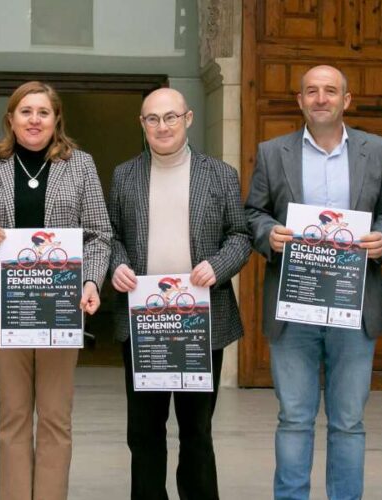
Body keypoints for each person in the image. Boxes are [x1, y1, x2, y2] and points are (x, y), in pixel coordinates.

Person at [244, 64, 382, 500]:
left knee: (348, 422)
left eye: (330, 91)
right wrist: (267, 234)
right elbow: (253, 212)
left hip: (355, 307)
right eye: (311, 91)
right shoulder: (274, 152)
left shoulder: (377, 150)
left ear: (346, 100)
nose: (320, 98)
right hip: (295, 306)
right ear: (299, 100)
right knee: (294, 418)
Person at [0, 80, 111, 500]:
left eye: (43, 112)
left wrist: (91, 280)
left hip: (62, 308)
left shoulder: (80, 165)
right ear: (10, 118)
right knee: (12, 417)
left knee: (55, 418)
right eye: (25, 111)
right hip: (5, 308)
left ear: (56, 118)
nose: (34, 119)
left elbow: (99, 235)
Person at [108, 87, 251, 500]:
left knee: (196, 431)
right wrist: (116, 264)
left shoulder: (219, 174)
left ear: (188, 119)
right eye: (152, 119)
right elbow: (112, 236)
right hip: (144, 322)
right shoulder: (124, 175)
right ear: (142, 124)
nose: (162, 126)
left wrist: (219, 267)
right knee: (143, 431)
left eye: (170, 117)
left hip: (201, 322)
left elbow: (239, 236)